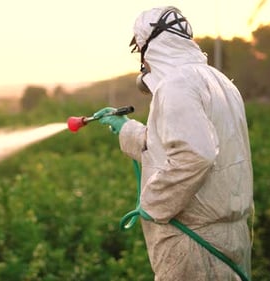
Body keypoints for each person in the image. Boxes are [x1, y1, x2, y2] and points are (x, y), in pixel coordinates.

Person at [93, 6, 254, 281]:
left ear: (150, 48)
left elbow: (196, 155)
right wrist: (126, 129)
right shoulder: (219, 81)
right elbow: (174, 142)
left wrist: (154, 203)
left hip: (195, 241)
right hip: (230, 236)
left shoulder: (176, 85)